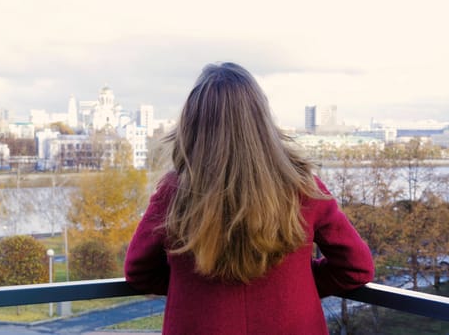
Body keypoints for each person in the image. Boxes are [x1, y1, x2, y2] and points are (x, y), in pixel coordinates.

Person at [124, 62, 374, 335]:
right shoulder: (302, 187)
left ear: (192, 124)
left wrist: (191, 285)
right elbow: (356, 267)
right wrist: (297, 283)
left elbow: (139, 272)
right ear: (262, 121)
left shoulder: (174, 192)